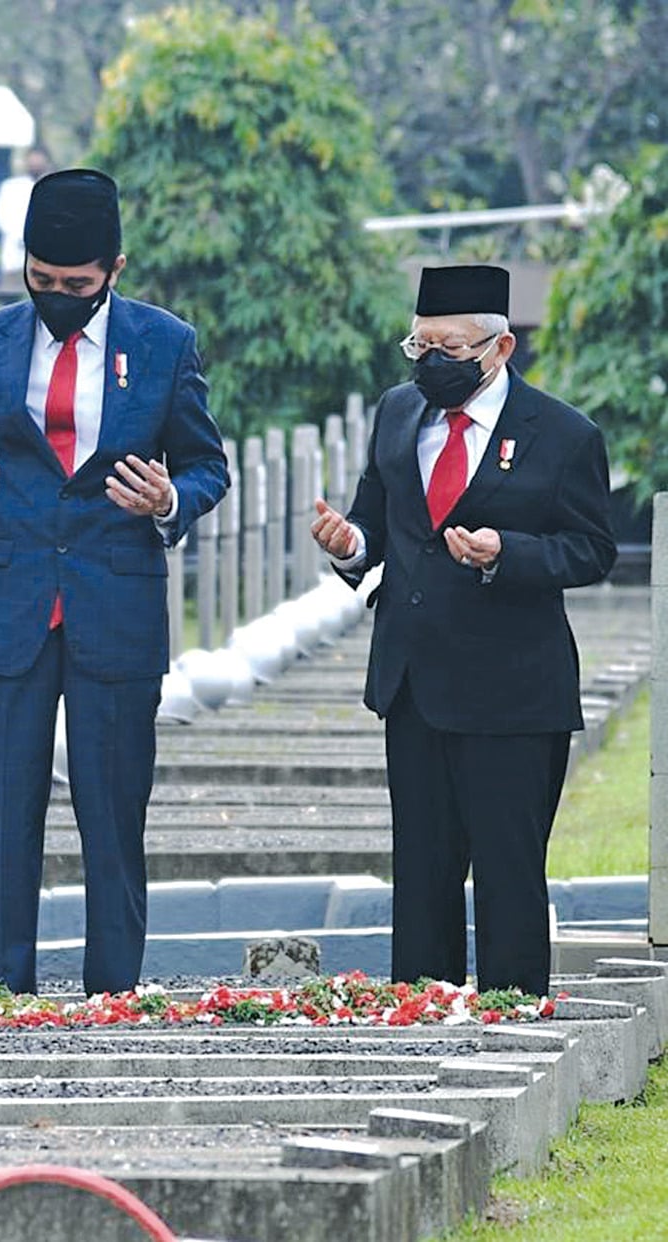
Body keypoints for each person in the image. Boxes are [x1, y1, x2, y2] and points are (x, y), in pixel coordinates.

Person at [0, 168, 229, 996]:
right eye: (42, 281)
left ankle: (113, 997)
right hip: (9, 610)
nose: (58, 295)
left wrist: (172, 498)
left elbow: (209, 464)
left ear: (115, 269)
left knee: (112, 821)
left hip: (116, 607)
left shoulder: (165, 345)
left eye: (78, 284)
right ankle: (1, 998)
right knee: (5, 822)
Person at [310, 264, 616, 997]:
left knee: (508, 874)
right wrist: (348, 545)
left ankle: (512, 1025)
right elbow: (376, 522)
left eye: (450, 351)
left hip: (511, 688)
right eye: (420, 349)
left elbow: (592, 548)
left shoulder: (563, 436)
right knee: (421, 871)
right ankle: (418, 1016)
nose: (432, 365)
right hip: (413, 679)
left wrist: (509, 553)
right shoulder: (397, 412)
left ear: (499, 349)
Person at [0, 148, 53, 275]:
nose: (35, 164)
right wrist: (21, 237)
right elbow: (1, 216)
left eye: (39, 161)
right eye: (32, 160)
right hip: (14, 251)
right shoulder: (10, 186)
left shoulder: (54, 186)